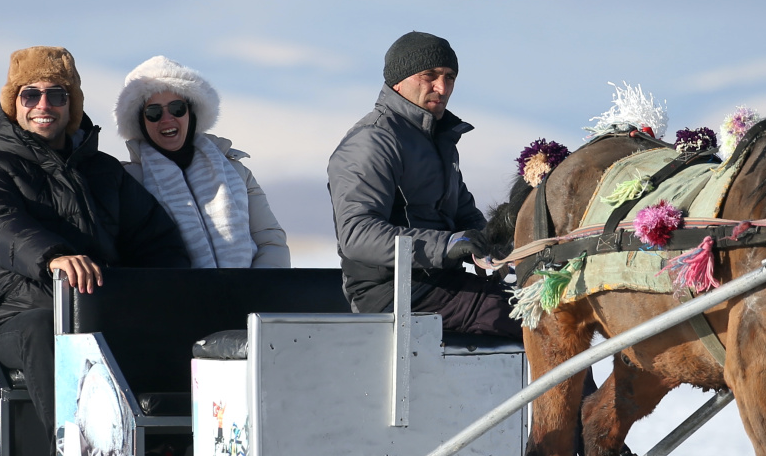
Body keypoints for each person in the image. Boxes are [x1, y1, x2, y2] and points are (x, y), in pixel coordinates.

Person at [0, 47, 189, 444]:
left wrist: (161, 293)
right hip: (21, 316)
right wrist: (52, 256)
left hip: (100, 309)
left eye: (57, 95)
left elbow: (156, 237)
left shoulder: (104, 172)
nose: (43, 105)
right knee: (46, 330)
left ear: (72, 104)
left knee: (175, 326)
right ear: (14, 103)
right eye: (30, 94)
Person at [327, 30, 518, 338]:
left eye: (450, 77)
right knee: (537, 320)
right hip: (393, 292)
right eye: (429, 76)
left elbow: (465, 216)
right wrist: (448, 246)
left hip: (440, 283)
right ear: (398, 80)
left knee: (551, 306)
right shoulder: (372, 141)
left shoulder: (439, 138)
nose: (441, 88)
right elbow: (357, 235)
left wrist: (500, 243)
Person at [114, 56, 290, 269]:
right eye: (154, 112)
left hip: (250, 297)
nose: (167, 119)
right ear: (141, 122)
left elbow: (270, 241)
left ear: (191, 112)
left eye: (177, 108)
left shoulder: (237, 172)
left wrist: (256, 293)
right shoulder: (127, 182)